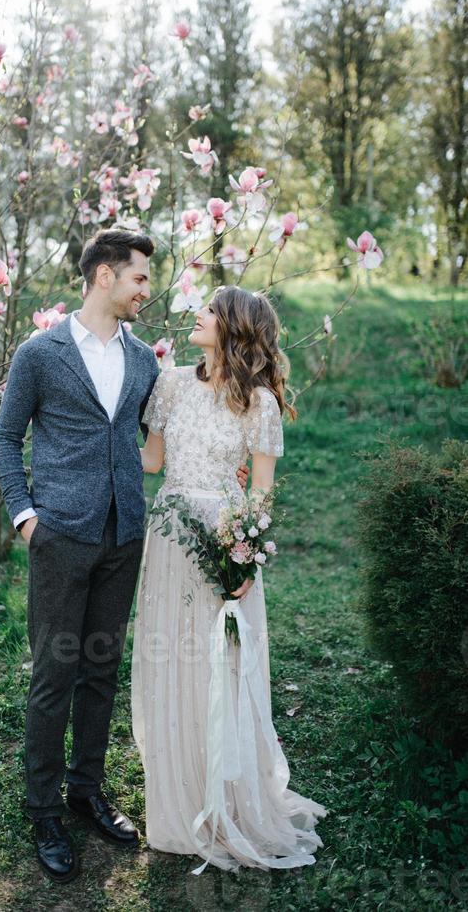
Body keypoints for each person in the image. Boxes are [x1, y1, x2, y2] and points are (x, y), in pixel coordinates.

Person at [0, 229, 250, 883]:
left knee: (100, 672)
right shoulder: (40, 354)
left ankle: (86, 791)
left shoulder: (143, 362)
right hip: (59, 538)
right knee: (55, 677)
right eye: (138, 278)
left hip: (124, 538)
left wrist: (231, 472)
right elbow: (5, 435)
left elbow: (166, 439)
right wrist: (26, 519)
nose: (146, 290)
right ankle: (43, 808)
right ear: (105, 276)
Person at [132, 285, 328, 874]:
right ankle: (179, 800)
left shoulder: (260, 404)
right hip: (168, 537)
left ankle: (230, 801)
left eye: (212, 310)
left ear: (237, 327)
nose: (200, 314)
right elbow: (150, 461)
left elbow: (260, 491)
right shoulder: (169, 384)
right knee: (172, 662)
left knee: (220, 663)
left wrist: (245, 559)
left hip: (224, 542)